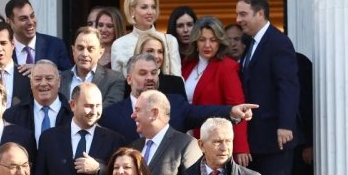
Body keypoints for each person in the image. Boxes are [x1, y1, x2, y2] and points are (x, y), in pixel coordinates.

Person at [236, 0, 302, 175]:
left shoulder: (278, 42)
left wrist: (285, 124)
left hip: (276, 136)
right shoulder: (252, 44)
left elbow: (288, 85)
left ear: (260, 13)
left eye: (243, 14)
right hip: (257, 137)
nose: (239, 19)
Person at [100, 53, 256, 144]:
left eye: (154, 73)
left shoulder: (175, 103)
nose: (150, 78)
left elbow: (203, 112)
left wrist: (232, 111)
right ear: (129, 79)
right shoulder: (110, 115)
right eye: (143, 73)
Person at [182, 16, 251, 166]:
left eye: (213, 40)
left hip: (213, 141)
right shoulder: (187, 65)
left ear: (220, 42)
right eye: (202, 40)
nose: (207, 45)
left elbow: (238, 107)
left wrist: (240, 147)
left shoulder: (227, 67)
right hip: (186, 139)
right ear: (195, 42)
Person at [111, 0, 180, 76]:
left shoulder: (170, 40)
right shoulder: (119, 44)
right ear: (132, 11)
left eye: (153, 7)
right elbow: (117, 82)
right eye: (144, 7)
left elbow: (177, 78)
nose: (150, 12)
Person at [4, 59, 73, 146]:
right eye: (38, 79)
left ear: (58, 81)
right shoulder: (13, 116)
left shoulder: (73, 114)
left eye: (49, 78)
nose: (43, 83)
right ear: (31, 83)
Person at [60, 26, 125, 107]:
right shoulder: (59, 79)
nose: (84, 54)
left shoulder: (114, 79)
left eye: (90, 49)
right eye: (80, 48)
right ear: (73, 50)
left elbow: (111, 108)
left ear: (100, 52)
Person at [5, 0, 72, 72]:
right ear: (9, 22)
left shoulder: (55, 45)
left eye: (32, 16)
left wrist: (43, 71)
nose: (30, 22)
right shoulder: (4, 49)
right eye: (23, 18)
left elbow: (68, 75)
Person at [132, 30, 186, 98]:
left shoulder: (176, 82)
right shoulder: (131, 82)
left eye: (160, 51)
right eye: (150, 51)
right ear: (139, 53)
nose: (156, 56)